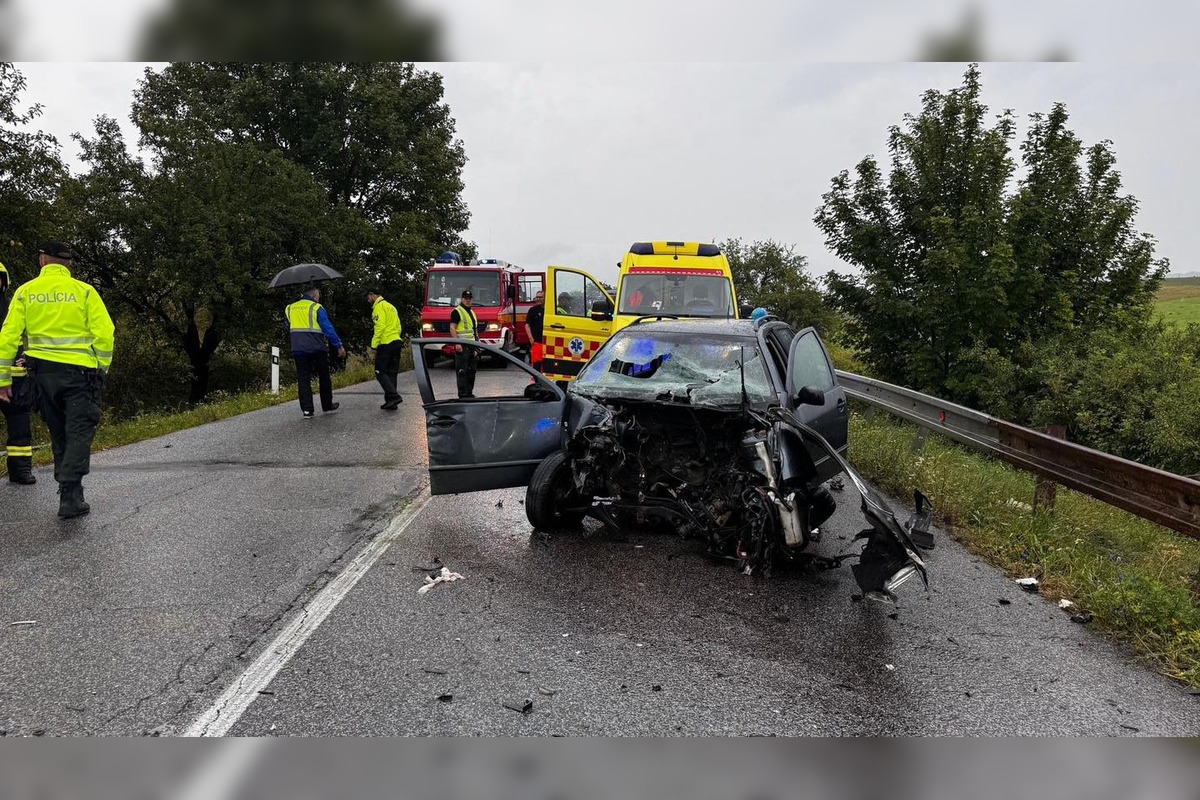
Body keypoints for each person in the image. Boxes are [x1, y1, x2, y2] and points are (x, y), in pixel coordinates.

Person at [0, 242, 115, 518]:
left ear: (42, 261)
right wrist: (101, 367)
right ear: (69, 264)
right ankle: (70, 492)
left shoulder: (25, 292)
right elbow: (105, 333)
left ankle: (69, 489)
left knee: (59, 431)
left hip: (43, 377)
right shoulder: (85, 292)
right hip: (79, 375)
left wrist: (3, 378)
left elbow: (8, 336)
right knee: (78, 431)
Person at [0, 261, 35, 485]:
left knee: (20, 425)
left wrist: (28, 356)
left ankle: (20, 470)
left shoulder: (14, 306)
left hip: (14, 378)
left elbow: (30, 333)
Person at [286, 286, 345, 418]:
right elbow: (328, 329)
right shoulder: (317, 308)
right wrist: (339, 346)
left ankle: (307, 410)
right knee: (324, 376)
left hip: (298, 348)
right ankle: (327, 405)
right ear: (314, 296)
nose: (319, 298)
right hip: (316, 348)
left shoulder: (290, 308)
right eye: (318, 295)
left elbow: (287, 325)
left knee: (303, 379)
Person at [367, 290, 403, 411]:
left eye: (368, 297)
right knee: (392, 372)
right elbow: (398, 326)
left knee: (380, 371)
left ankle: (394, 396)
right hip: (397, 341)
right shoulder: (391, 307)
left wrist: (374, 346)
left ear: (373, 295)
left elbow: (380, 327)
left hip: (386, 343)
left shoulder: (378, 307)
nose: (368, 300)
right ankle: (391, 402)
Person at [449, 288, 479, 398]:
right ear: (462, 299)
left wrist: (478, 344)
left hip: (472, 346)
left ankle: (469, 393)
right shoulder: (457, 311)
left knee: (472, 371)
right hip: (463, 346)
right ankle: (463, 395)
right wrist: (457, 343)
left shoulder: (471, 312)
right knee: (462, 372)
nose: (468, 300)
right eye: (466, 298)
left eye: (469, 298)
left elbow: (474, 330)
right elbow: (452, 328)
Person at [524, 289, 546, 372]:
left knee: (547, 364)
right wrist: (531, 339)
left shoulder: (549, 310)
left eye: (540, 297)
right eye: (537, 297)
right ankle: (536, 382)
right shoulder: (533, 310)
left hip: (548, 342)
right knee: (536, 364)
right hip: (537, 342)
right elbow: (527, 325)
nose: (538, 299)